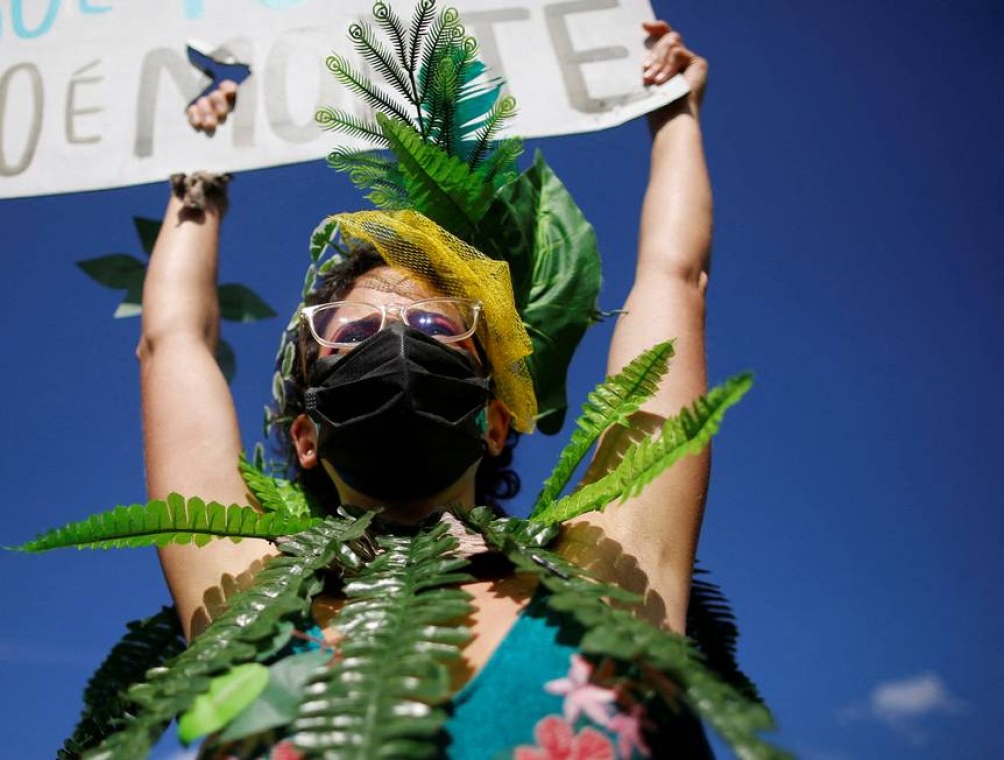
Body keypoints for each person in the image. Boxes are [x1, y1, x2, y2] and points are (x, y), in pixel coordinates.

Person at [137, 20, 713, 756]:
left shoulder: (611, 573)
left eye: (430, 327)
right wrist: (200, 175)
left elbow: (674, 279)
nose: (394, 341)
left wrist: (674, 115)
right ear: (304, 436)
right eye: (351, 337)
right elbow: (171, 344)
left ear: (495, 420)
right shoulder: (248, 603)